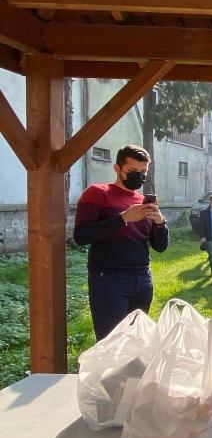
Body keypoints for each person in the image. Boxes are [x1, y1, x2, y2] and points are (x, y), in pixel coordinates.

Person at [73, 145, 168, 341]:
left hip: (142, 277)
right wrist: (123, 218)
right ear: (118, 168)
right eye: (133, 171)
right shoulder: (97, 192)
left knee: (137, 340)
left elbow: (160, 247)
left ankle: (133, 372)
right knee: (111, 341)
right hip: (108, 277)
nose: (139, 177)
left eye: (143, 172)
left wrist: (159, 223)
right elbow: (81, 236)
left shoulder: (142, 201)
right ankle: (108, 373)